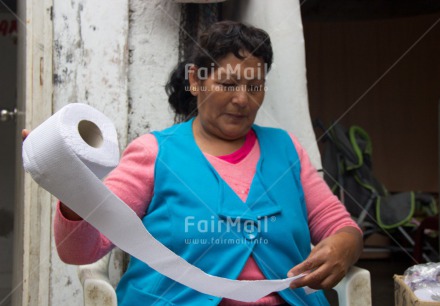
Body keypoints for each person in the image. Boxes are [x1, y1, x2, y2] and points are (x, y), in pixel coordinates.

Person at [24, 21, 362, 305]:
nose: (242, 98)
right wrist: (72, 185)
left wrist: (345, 245)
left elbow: (338, 225)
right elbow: (81, 250)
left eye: (254, 86)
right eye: (228, 83)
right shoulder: (154, 153)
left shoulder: (286, 149)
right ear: (196, 81)